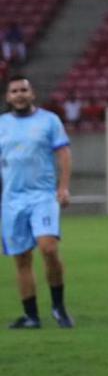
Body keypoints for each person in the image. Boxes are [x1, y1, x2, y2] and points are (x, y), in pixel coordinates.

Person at [0, 76, 74, 329]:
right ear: (8, 97)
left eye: (24, 90)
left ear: (32, 94)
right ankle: (31, 316)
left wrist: (63, 187)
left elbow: (63, 153)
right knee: (21, 259)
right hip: (12, 200)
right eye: (14, 91)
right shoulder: (2, 125)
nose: (19, 94)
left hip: (42, 196)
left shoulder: (49, 120)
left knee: (48, 248)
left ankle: (58, 307)